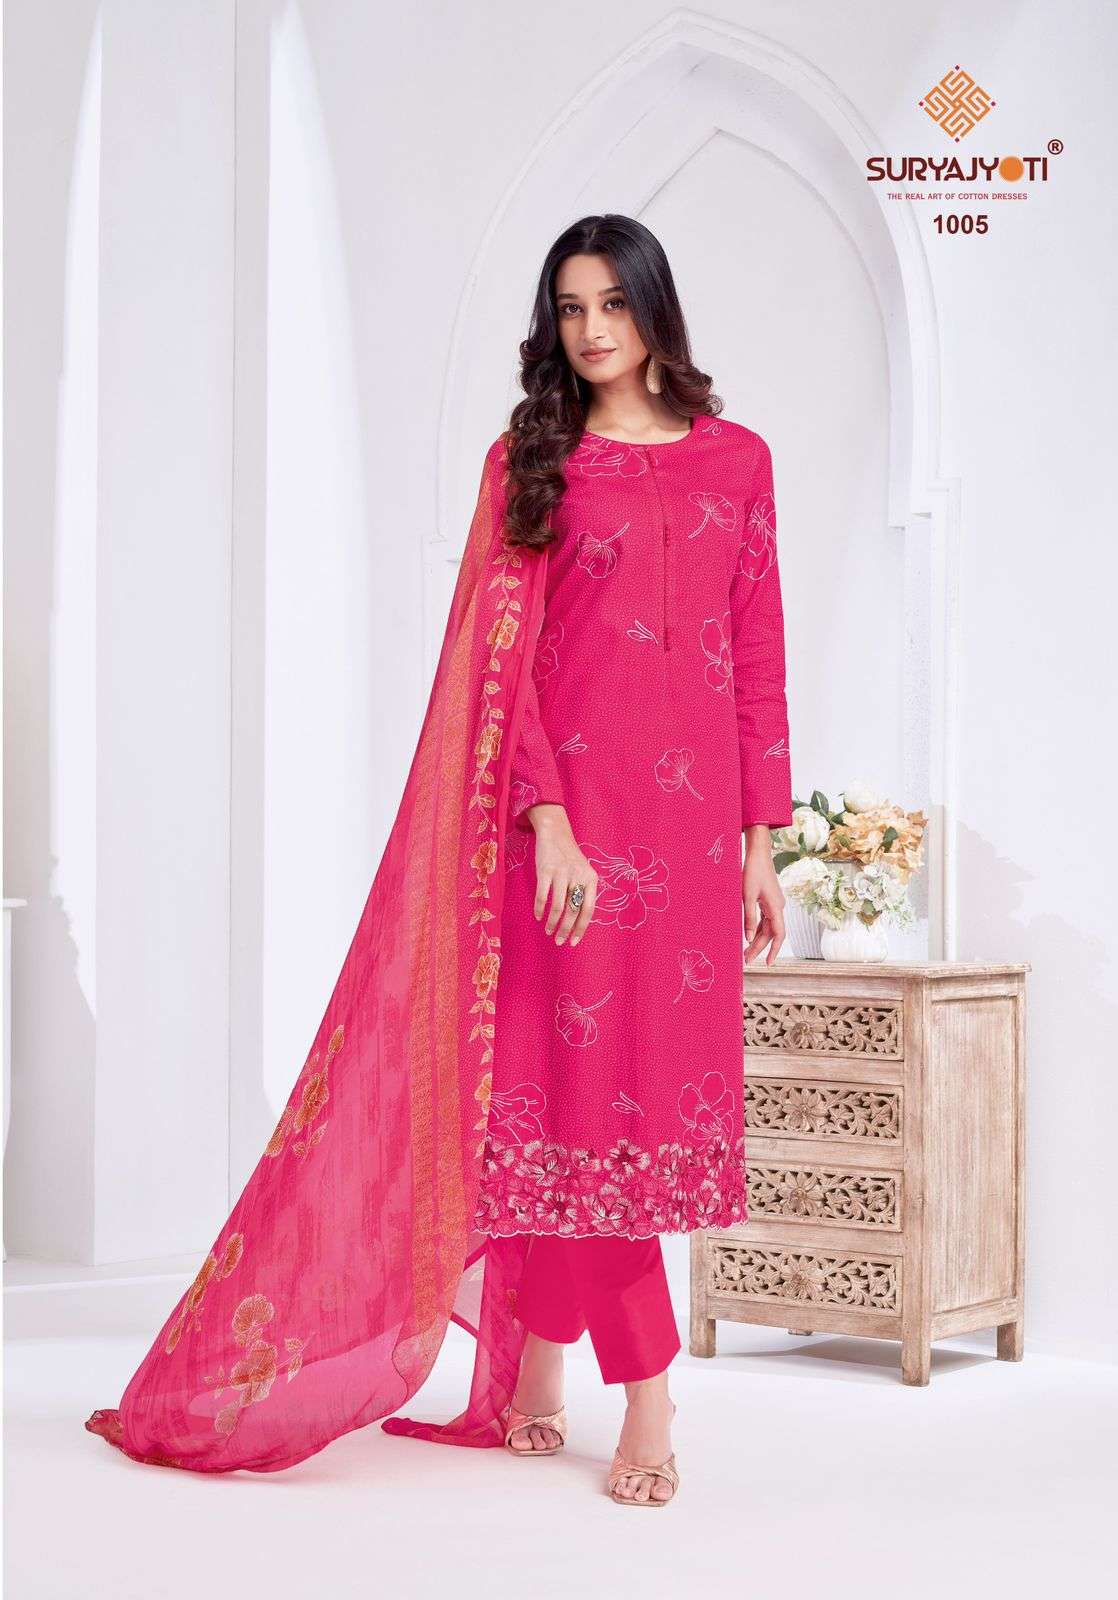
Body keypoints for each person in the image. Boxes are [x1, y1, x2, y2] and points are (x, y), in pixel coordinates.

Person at [85, 214, 792, 1508]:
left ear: (654, 309)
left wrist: (760, 844)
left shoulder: (737, 460)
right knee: (565, 1105)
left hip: (689, 854)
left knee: (617, 1110)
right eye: (569, 308)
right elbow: (497, 669)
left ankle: (536, 1370)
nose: (590, 330)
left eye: (611, 304)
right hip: (570, 841)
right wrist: (547, 820)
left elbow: (756, 653)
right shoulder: (530, 462)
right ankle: (648, 1398)